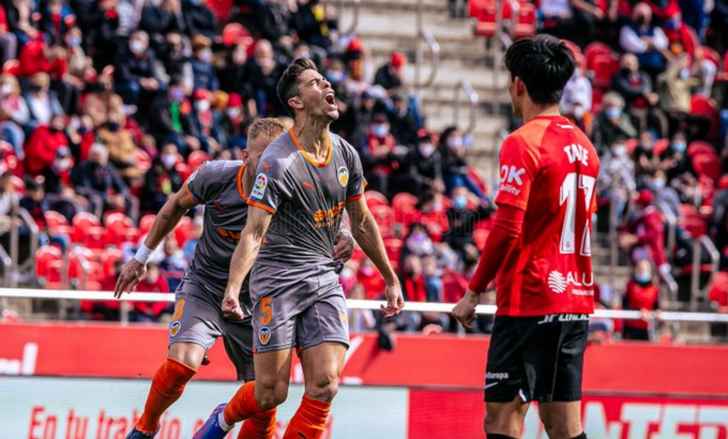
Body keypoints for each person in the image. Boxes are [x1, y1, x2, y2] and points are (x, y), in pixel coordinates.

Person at [194, 57, 404, 439]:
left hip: (323, 278)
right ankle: (224, 418)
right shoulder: (278, 162)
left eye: (327, 80)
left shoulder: (346, 154)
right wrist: (231, 288)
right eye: (315, 83)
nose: (328, 87)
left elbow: (360, 220)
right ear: (297, 102)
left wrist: (390, 278)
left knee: (325, 384)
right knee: (270, 393)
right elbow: (254, 232)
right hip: (277, 281)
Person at [115, 117, 355, 439]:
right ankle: (146, 427)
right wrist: (141, 258)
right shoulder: (216, 176)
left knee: (264, 398)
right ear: (245, 157)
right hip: (207, 286)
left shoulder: (293, 187)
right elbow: (174, 206)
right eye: (262, 158)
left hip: (256, 299)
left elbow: (330, 212)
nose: (271, 165)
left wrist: (344, 233)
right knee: (181, 364)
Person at [451, 35, 600, 439]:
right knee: (564, 425)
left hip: (529, 299)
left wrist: (473, 290)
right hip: (573, 301)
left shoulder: (523, 142)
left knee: (501, 419)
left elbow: (507, 226)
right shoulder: (585, 148)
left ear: (517, 84)